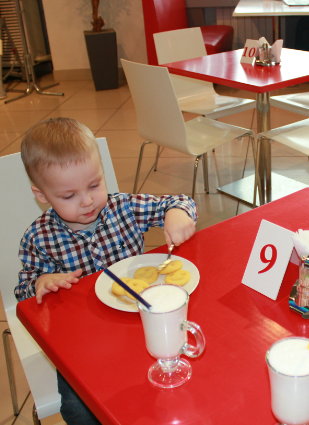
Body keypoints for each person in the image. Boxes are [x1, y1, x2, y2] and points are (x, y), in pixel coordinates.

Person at [15, 117, 197, 424]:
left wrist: (177, 213)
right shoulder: (39, 237)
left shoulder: (123, 208)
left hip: (137, 323)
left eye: (94, 185)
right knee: (79, 409)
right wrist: (41, 283)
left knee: (157, 391)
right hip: (80, 340)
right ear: (42, 195)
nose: (87, 201)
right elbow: (23, 293)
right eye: (69, 196)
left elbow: (179, 201)